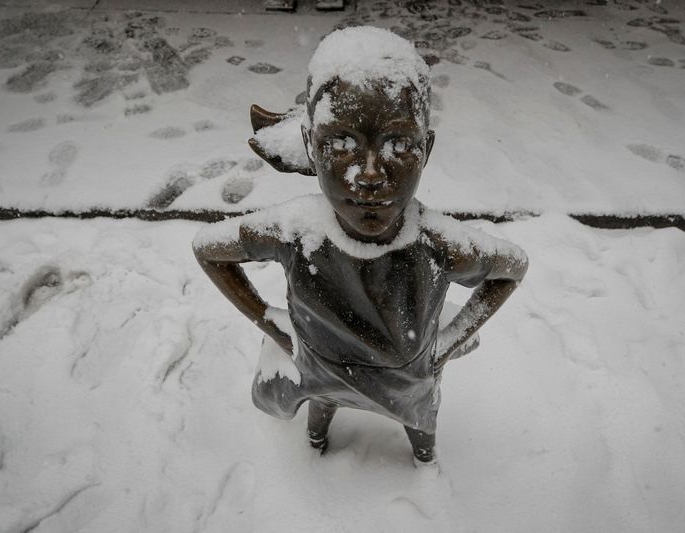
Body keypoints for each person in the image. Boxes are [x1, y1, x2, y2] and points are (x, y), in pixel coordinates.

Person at [192, 26, 527, 465]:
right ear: (312, 148)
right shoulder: (295, 232)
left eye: (399, 143)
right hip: (321, 370)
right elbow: (208, 249)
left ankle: (422, 454)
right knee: (323, 402)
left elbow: (513, 268)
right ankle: (319, 431)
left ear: (425, 150)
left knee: (419, 417)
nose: (369, 175)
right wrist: (271, 324)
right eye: (341, 143)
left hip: (407, 382)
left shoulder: (439, 246)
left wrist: (444, 345)